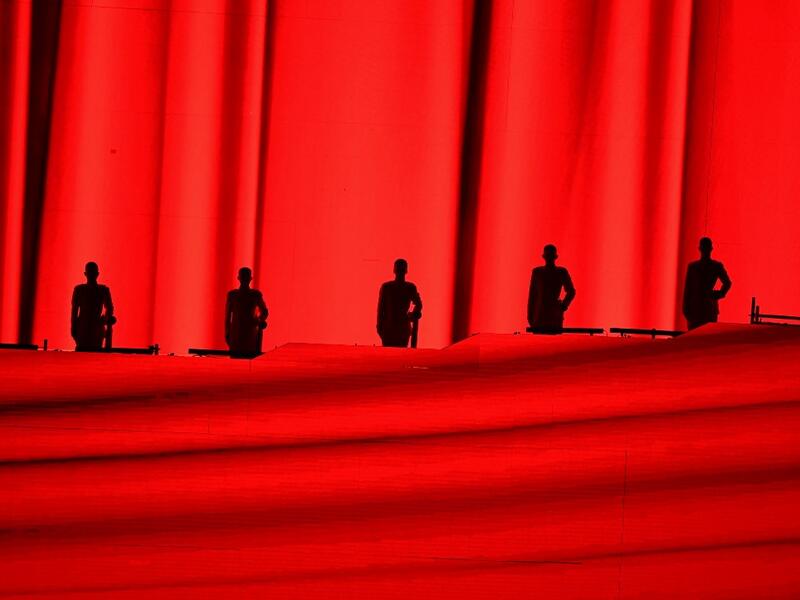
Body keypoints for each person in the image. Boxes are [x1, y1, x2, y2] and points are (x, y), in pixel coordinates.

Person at [682, 237, 732, 330]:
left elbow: (687, 290)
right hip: (702, 309)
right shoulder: (714, 266)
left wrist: (686, 309)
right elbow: (687, 289)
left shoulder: (694, 267)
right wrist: (719, 294)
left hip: (699, 310)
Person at [527, 244, 575, 333]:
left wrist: (563, 306)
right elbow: (532, 295)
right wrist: (563, 306)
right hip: (541, 316)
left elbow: (532, 296)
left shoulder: (559, 272)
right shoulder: (538, 272)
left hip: (547, 315)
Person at [377, 258, 422, 347]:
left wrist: (413, 314)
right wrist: (380, 327)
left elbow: (418, 304)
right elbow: (381, 308)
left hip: (400, 328)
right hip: (390, 328)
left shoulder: (408, 287)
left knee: (398, 355)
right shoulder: (387, 287)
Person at [225, 267, 268, 358]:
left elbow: (264, 311)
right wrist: (227, 332)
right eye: (243, 276)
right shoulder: (233, 295)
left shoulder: (255, 294)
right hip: (237, 332)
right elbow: (227, 316)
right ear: (239, 278)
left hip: (249, 333)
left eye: (246, 276)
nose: (245, 279)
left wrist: (258, 321)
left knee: (247, 359)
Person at [71, 261, 114, 351]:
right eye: (90, 272)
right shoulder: (80, 289)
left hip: (93, 327)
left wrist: (105, 319)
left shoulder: (102, 290)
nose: (91, 275)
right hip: (85, 327)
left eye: (92, 272)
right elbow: (74, 310)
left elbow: (109, 308)